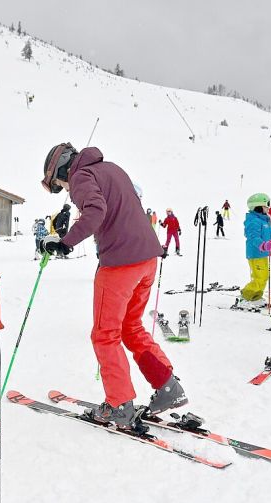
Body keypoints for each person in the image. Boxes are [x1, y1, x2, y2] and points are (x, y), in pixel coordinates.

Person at [39, 142, 187, 431]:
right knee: (131, 328)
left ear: (62, 169)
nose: (67, 189)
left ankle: (119, 404)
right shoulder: (112, 169)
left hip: (120, 264)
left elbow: (96, 211)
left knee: (105, 335)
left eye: (60, 183)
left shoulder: (82, 177)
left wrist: (65, 242)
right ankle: (168, 387)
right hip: (147, 259)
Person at [236, 193, 271, 308]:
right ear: (258, 206)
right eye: (266, 205)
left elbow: (267, 235)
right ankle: (245, 297)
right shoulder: (254, 221)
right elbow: (253, 237)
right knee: (259, 277)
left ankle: (256, 297)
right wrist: (263, 245)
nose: (268, 208)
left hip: (263, 254)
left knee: (264, 276)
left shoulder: (264, 220)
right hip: (255, 253)